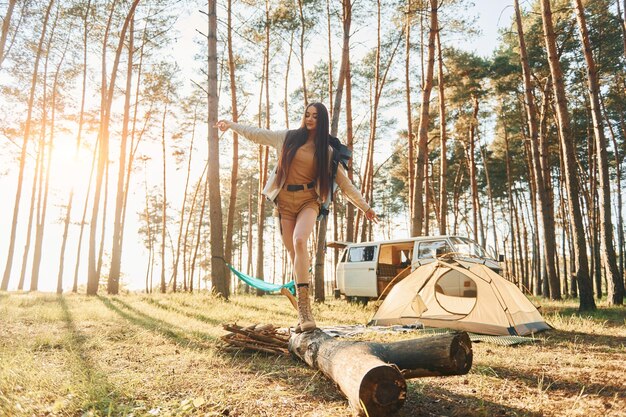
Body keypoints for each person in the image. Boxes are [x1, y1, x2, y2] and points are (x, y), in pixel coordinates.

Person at [216, 102, 378, 332]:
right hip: (284, 202)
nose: (309, 119)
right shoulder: (288, 138)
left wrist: (365, 207)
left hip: (308, 201)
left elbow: (345, 184)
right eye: (307, 115)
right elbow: (258, 134)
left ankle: (305, 310)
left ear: (322, 122)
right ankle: (301, 311)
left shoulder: (328, 151)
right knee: (295, 254)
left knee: (300, 241)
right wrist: (231, 125)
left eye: (315, 116)